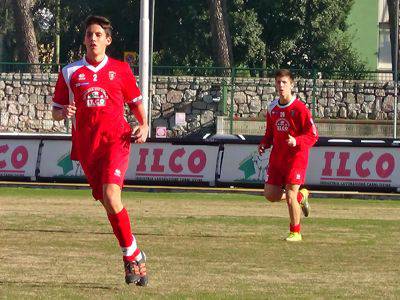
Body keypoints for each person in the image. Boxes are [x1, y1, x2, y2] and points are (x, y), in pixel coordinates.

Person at [52, 15, 149, 285]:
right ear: (84, 39)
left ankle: (130, 256)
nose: (93, 38)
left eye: (98, 35)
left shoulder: (120, 70)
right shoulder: (70, 72)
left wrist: (144, 125)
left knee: (110, 193)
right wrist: (63, 112)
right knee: (108, 201)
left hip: (116, 141)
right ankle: (134, 252)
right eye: (89, 34)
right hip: (87, 147)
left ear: (108, 40)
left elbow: (136, 104)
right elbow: (56, 110)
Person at [258, 69, 318, 242]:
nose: (281, 86)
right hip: (277, 158)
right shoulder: (272, 108)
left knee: (290, 195)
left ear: (292, 84)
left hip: (296, 158)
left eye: (284, 82)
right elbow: (270, 133)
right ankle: (301, 196)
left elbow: (313, 135)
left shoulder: (300, 109)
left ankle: (295, 232)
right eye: (278, 82)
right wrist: (264, 144)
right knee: (270, 194)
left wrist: (297, 141)